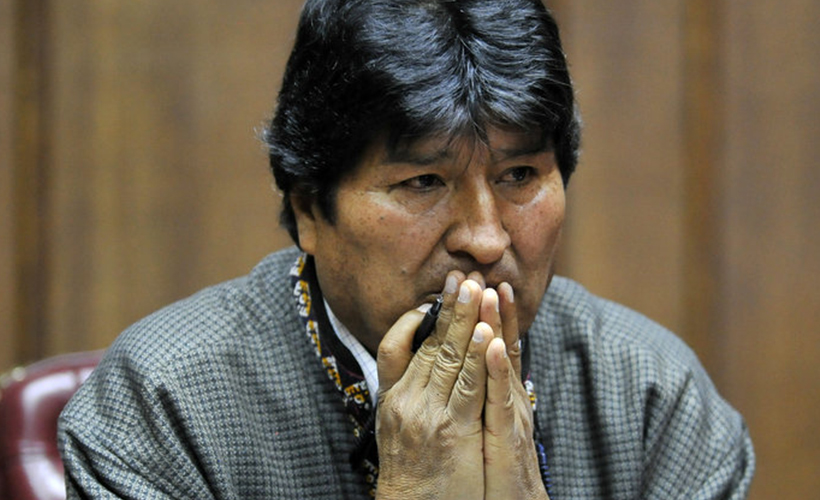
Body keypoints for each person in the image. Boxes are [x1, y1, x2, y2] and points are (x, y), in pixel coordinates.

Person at [58, 0, 754, 498]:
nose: (486, 238)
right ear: (309, 208)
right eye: (423, 182)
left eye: (519, 176)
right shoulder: (168, 404)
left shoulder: (651, 396)